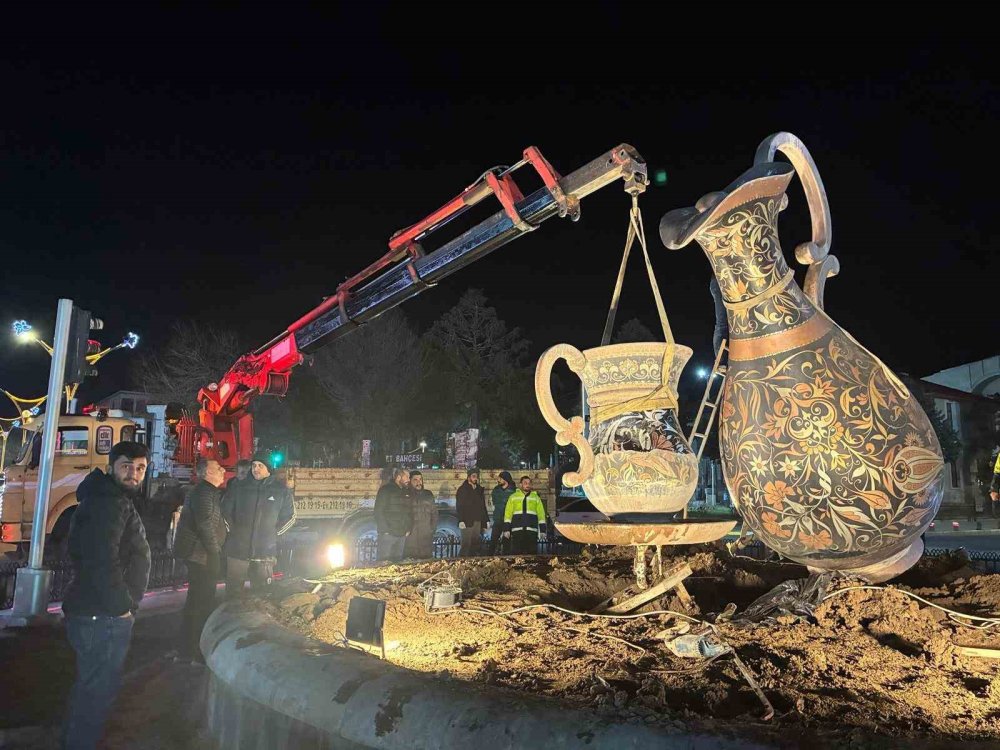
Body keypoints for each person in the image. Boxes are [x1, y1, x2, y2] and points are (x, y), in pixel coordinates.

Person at [61, 441, 152, 750]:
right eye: (127, 466)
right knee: (97, 693)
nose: (134, 473)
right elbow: (101, 559)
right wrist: (122, 607)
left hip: (95, 611)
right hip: (103, 615)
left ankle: (72, 741)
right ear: (112, 465)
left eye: (140, 468)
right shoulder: (108, 502)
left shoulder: (109, 498)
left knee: (89, 688)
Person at [172, 457, 227, 664]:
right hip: (201, 556)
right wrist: (215, 553)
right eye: (218, 467)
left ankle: (186, 650)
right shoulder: (204, 492)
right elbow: (205, 524)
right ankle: (195, 652)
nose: (223, 469)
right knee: (201, 603)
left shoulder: (206, 492)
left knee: (196, 602)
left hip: (199, 554)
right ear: (206, 473)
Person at [222, 453, 295, 597]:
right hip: (238, 551)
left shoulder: (281, 491)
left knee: (263, 595)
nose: (256, 469)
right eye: (254, 465)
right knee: (233, 594)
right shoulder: (239, 487)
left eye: (260, 466)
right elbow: (225, 511)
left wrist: (274, 534)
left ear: (268, 469)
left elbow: (290, 517)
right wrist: (234, 532)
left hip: (265, 552)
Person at [502, 475, 548, 555]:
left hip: (531, 532)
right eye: (525, 483)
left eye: (529, 483)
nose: (527, 485)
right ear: (520, 485)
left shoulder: (536, 498)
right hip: (517, 531)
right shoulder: (513, 497)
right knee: (516, 556)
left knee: (532, 556)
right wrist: (506, 529)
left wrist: (543, 530)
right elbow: (508, 514)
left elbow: (541, 514)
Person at [374, 468, 412, 561]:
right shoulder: (385, 490)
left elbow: (407, 512)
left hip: (401, 534)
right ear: (399, 477)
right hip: (388, 535)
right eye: (406, 477)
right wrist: (385, 530)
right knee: (384, 565)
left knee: (397, 564)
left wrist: (407, 528)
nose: (409, 480)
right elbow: (378, 511)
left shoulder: (405, 492)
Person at [405, 470, 438, 559]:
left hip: (426, 535)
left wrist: (432, 529)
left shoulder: (428, 494)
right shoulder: (405, 494)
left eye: (420, 479)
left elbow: (434, 513)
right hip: (411, 537)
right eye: (415, 480)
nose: (418, 482)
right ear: (410, 481)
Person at [456, 468, 488, 556]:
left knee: (474, 544)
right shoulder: (462, 489)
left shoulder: (479, 489)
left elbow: (483, 506)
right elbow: (459, 506)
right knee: (466, 544)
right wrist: (461, 520)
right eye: (473, 476)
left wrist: (486, 520)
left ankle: (471, 564)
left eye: (476, 477)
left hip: (477, 520)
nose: (475, 478)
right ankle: (461, 563)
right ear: (468, 477)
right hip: (467, 521)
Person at [489, 471, 515, 554]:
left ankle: (506, 562)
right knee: (493, 542)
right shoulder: (496, 490)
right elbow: (494, 501)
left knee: (506, 543)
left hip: (508, 521)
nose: (498, 480)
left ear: (505, 479)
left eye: (500, 478)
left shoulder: (514, 491)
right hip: (498, 520)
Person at [990, 449, 1000, 517]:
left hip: (996, 474)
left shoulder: (997, 451)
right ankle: (996, 513)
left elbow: (991, 463)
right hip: (997, 474)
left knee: (994, 493)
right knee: (994, 494)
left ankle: (995, 513)